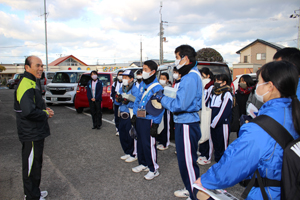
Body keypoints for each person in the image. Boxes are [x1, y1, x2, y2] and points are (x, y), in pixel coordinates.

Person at [195, 60, 300, 199]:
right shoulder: (292, 112)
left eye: (259, 82)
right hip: (291, 187)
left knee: (201, 193)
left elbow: (235, 163)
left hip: (268, 193)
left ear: (270, 86)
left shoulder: (261, 127)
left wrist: (206, 180)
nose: (257, 86)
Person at [155, 45, 202, 200]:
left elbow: (180, 105)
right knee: (185, 160)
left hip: (187, 123)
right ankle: (190, 187)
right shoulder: (190, 75)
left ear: (185, 58)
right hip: (185, 122)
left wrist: (162, 98)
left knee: (187, 161)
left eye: (176, 57)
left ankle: (194, 194)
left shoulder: (190, 77)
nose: (176, 61)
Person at [14, 56, 54, 200]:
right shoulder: (26, 84)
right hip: (30, 133)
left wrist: (44, 110)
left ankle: (34, 192)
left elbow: (33, 106)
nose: (41, 69)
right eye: (37, 65)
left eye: (42, 66)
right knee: (31, 167)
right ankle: (31, 196)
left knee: (36, 164)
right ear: (27, 67)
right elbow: (28, 111)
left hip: (35, 132)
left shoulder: (32, 82)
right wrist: (44, 113)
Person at [131, 60, 164, 180]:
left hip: (149, 119)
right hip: (140, 117)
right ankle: (143, 163)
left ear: (153, 71)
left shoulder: (157, 88)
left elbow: (159, 108)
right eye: (143, 69)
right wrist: (134, 115)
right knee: (140, 142)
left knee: (148, 144)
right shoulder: (143, 84)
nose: (143, 72)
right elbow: (137, 100)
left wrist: (155, 124)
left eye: (145, 69)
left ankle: (153, 168)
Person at [205, 74, 232, 164]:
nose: (216, 82)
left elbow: (223, 111)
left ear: (224, 82)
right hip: (212, 123)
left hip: (222, 124)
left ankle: (223, 165)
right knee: (215, 144)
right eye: (215, 80)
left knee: (222, 145)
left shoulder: (227, 93)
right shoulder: (214, 92)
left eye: (218, 81)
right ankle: (217, 163)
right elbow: (209, 106)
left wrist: (214, 122)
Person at [117, 70, 139, 163]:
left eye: (126, 77)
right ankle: (127, 151)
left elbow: (137, 102)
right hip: (122, 114)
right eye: (123, 77)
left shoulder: (135, 89)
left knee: (131, 135)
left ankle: (133, 154)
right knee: (123, 134)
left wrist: (129, 101)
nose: (124, 79)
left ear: (131, 79)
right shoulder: (121, 88)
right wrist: (118, 99)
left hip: (130, 115)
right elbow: (117, 100)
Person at [197, 67, 214, 165]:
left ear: (208, 76)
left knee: (206, 133)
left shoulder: (210, 87)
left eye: (203, 75)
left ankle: (207, 155)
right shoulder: (204, 86)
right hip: (202, 112)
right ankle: (203, 152)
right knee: (202, 132)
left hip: (207, 113)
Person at [156, 73, 171, 151]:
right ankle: (160, 141)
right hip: (158, 108)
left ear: (167, 80)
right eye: (161, 78)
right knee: (159, 125)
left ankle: (166, 142)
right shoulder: (158, 87)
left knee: (166, 125)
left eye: (164, 78)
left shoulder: (169, 88)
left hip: (166, 109)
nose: (162, 80)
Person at [111, 70, 123, 136]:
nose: (120, 76)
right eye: (119, 74)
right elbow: (112, 93)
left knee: (123, 116)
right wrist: (114, 99)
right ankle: (118, 129)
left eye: (122, 75)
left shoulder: (125, 83)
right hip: (116, 103)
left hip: (123, 103)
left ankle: (122, 129)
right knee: (117, 116)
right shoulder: (114, 84)